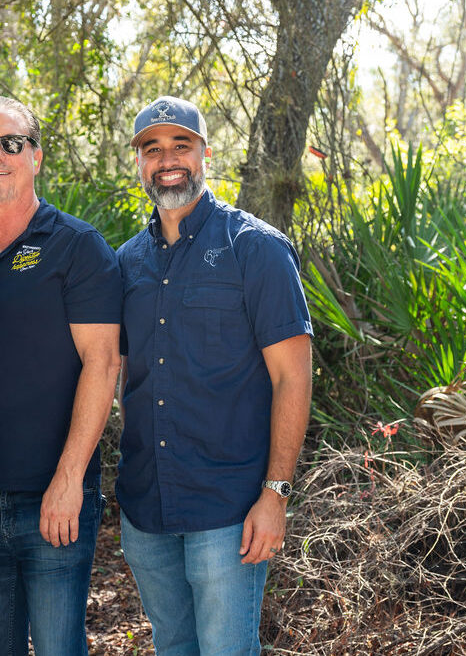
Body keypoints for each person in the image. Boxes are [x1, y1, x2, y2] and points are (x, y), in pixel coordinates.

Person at [115, 95, 313, 655]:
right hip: (147, 510)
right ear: (139, 163)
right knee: (173, 647)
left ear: (205, 152)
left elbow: (293, 379)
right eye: (153, 149)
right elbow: (122, 375)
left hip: (229, 513)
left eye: (181, 145)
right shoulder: (126, 262)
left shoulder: (256, 249)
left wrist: (275, 494)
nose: (167, 159)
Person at [0, 97, 122, 656]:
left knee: (57, 647)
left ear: (36, 157)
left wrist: (69, 481)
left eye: (11, 143)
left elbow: (104, 362)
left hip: (55, 497)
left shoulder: (78, 247)